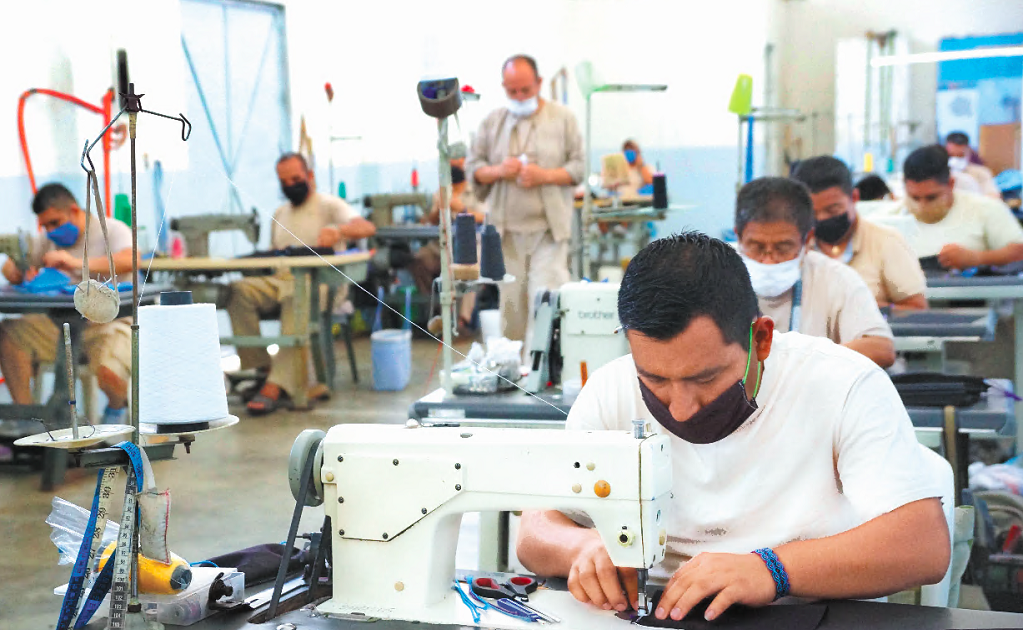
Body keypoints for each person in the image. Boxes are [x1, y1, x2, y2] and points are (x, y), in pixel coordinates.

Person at [516, 232, 950, 621]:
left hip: (807, 608)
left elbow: (922, 546)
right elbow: (536, 530)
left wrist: (772, 569)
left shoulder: (842, 384)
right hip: (662, 608)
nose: (681, 410)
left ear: (760, 339)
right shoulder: (611, 389)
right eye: (656, 380)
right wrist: (583, 549)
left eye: (705, 379)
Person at [228, 152, 376, 415]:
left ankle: (275, 385)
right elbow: (273, 254)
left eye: (296, 178)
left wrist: (340, 231)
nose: (290, 185)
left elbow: (366, 227)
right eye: (284, 181)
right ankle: (264, 369)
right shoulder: (279, 212)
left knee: (297, 295)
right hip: (280, 279)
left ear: (310, 176)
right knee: (237, 291)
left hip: (317, 284)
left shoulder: (330, 205)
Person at [466, 54, 584, 348]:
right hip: (506, 237)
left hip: (548, 233)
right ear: (503, 87)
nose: (519, 97)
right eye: (512, 91)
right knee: (511, 312)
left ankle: (543, 376)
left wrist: (544, 175)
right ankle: (512, 376)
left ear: (539, 83)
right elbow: (473, 167)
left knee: (546, 303)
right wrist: (498, 170)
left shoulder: (563, 118)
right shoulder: (492, 122)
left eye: (526, 90)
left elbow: (579, 167)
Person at [0, 183, 135, 424]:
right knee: (9, 334)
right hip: (59, 327)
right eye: (45, 225)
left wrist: (75, 263)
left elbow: (130, 260)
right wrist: (18, 270)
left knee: (109, 371)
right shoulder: (47, 240)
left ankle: (117, 408)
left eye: (55, 222)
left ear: (73, 210)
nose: (51, 230)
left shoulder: (112, 230)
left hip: (106, 324)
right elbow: (12, 266)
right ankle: (29, 421)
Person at [734, 177, 896, 368]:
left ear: (807, 240)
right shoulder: (713, 274)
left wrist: (805, 364)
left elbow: (881, 348)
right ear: (739, 237)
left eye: (783, 248)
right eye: (757, 247)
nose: (768, 260)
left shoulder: (836, 278)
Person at [791, 156, 926, 309]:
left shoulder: (886, 242)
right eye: (813, 213)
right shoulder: (794, 246)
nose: (822, 218)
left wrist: (865, 311)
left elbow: (917, 309)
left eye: (832, 209)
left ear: (854, 197)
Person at [893, 145, 1023, 269]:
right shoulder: (891, 216)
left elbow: (1019, 251)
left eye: (931, 198)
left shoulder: (986, 209)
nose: (922, 206)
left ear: (951, 184)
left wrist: (978, 258)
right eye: (914, 198)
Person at [409, 163, 483, 335]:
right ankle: (434, 312)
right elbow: (431, 221)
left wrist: (461, 209)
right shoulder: (441, 192)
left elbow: (485, 217)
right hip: (442, 246)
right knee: (418, 259)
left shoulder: (476, 192)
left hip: (469, 246)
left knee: (470, 269)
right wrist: (439, 208)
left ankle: (462, 320)